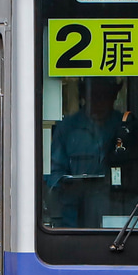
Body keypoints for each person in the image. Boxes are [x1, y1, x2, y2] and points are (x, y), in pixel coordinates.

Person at [47, 79, 126, 227]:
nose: (100, 101)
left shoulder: (127, 127)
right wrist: (74, 185)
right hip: (75, 223)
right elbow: (54, 176)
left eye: (105, 95)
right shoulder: (67, 129)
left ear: (114, 95)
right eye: (94, 95)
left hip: (120, 221)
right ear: (84, 95)